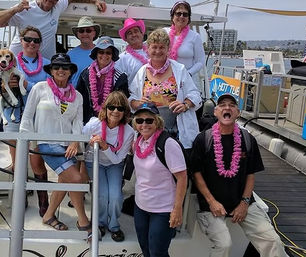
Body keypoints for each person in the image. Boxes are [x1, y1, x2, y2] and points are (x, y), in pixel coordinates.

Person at [190, 94, 289, 257]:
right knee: (224, 244)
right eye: (222, 105)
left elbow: (250, 174)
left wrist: (244, 203)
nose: (227, 108)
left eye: (231, 105)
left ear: (238, 113)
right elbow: (196, 174)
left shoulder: (247, 139)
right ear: (215, 112)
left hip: (244, 203)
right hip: (210, 206)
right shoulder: (203, 139)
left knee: (273, 241)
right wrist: (212, 201)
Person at [20, 53, 92, 237]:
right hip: (47, 143)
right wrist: (27, 141)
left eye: (65, 68)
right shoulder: (40, 88)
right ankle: (83, 219)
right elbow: (27, 117)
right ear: (51, 70)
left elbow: (78, 123)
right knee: (76, 179)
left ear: (70, 72)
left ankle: (49, 215)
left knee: (64, 179)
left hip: (68, 145)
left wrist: (75, 141)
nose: (61, 70)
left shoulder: (77, 96)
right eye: (57, 67)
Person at [0, 27, 51, 217]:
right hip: (12, 115)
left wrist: (26, 85)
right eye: (27, 39)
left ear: (40, 43)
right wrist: (2, 85)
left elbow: (50, 90)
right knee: (17, 161)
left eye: (36, 40)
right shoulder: (7, 61)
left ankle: (43, 202)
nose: (31, 43)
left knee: (36, 161)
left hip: (36, 118)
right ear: (22, 41)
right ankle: (20, 199)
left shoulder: (48, 65)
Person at [129, 28, 201, 154]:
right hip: (149, 131)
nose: (157, 51)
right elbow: (131, 99)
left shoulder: (179, 69)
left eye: (162, 47)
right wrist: (137, 103)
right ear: (148, 49)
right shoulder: (142, 72)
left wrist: (185, 105)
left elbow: (195, 94)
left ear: (168, 49)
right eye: (154, 47)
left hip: (176, 131)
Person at [132, 103, 187, 257]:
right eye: (140, 120)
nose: (144, 124)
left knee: (158, 252)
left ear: (157, 122)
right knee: (146, 249)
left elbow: (182, 177)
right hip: (141, 207)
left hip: (163, 209)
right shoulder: (138, 140)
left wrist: (177, 209)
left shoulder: (168, 144)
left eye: (149, 120)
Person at [82, 91, 134, 242]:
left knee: (116, 197)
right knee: (102, 195)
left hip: (114, 165)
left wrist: (104, 147)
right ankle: (100, 223)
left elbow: (118, 160)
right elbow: (80, 138)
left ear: (125, 112)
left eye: (120, 108)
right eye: (112, 107)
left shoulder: (129, 132)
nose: (116, 111)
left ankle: (114, 225)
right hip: (94, 162)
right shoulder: (94, 124)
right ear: (105, 109)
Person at [0, 0, 107, 59]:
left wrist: (95, 1)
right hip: (18, 60)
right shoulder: (26, 9)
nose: (51, 1)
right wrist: (15, 10)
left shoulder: (57, 6)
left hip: (45, 64)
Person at [77, 36, 129, 124]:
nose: (104, 55)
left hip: (111, 123)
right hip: (87, 122)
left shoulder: (121, 77)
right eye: (101, 52)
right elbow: (79, 99)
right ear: (96, 54)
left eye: (108, 53)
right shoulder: (85, 74)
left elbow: (123, 104)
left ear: (112, 56)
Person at [164, 1, 205, 90]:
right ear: (173, 16)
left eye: (185, 14)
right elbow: (149, 48)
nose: (181, 16)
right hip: (165, 79)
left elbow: (200, 61)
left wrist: (188, 73)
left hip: (186, 81)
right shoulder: (164, 33)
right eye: (178, 13)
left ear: (188, 18)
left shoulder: (195, 37)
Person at [68, 16, 101, 86]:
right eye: (81, 31)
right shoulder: (70, 54)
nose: (85, 33)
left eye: (88, 30)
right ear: (78, 34)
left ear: (94, 33)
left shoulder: (102, 53)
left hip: (96, 95)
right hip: (75, 95)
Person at [115, 18, 149, 86]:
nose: (133, 35)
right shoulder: (121, 58)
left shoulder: (153, 52)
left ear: (142, 34)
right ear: (126, 39)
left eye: (136, 31)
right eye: (130, 33)